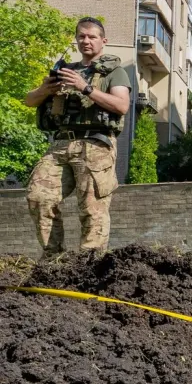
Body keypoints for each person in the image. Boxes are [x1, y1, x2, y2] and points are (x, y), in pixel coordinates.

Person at [22, 17, 130, 256]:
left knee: (91, 207)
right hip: (61, 144)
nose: (86, 41)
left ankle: (88, 265)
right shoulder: (65, 70)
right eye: (81, 36)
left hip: (96, 144)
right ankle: (54, 259)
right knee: (39, 197)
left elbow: (122, 105)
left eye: (92, 36)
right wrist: (45, 90)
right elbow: (29, 101)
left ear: (103, 41)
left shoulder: (115, 71)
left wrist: (85, 87)